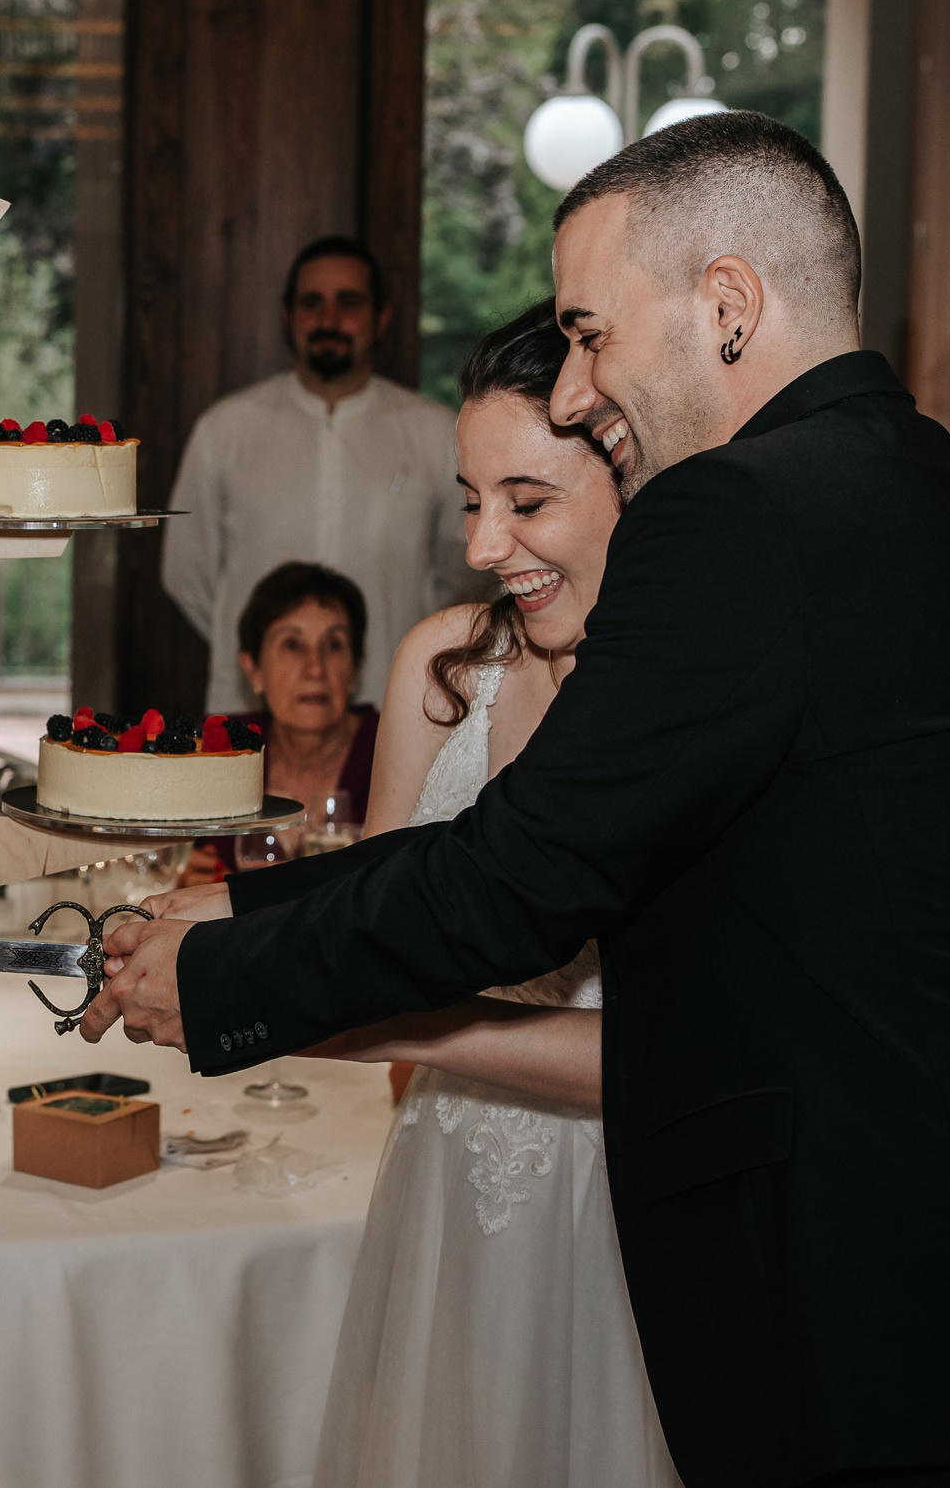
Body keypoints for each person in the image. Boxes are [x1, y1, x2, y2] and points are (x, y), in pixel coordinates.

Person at [89, 112, 950, 1484]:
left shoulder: (737, 509)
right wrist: (246, 899)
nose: (569, 388)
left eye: (589, 331)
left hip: (915, 1298)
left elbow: (523, 873)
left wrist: (221, 977)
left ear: (727, 305)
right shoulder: (909, 475)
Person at [299, 300, 677, 1485]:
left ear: (631, 483)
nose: (482, 543)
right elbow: (372, 927)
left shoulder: (700, 699)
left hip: (639, 1197)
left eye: (526, 501)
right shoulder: (438, 666)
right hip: (450, 1179)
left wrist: (388, 1024)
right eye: (471, 501)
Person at [164, 236, 475, 712]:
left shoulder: (435, 434)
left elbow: (464, 570)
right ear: (289, 318)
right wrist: (261, 651)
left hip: (392, 707)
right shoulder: (225, 430)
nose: (329, 321)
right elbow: (188, 573)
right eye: (312, 304)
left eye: (348, 303)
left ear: (381, 319)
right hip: (251, 711)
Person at [175, 562, 379, 886]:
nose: (315, 669)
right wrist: (174, 874)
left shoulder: (390, 750)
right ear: (253, 669)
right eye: (292, 645)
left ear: (355, 667)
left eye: (334, 645)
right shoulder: (218, 750)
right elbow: (151, 861)